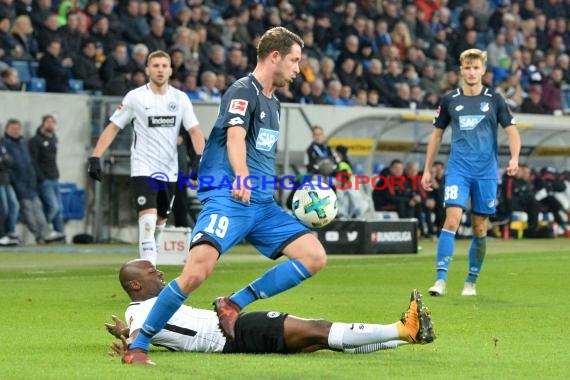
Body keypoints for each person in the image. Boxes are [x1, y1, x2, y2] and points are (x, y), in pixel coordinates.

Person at [122, 27, 329, 365]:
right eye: (294, 60)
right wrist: (242, 177)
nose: (298, 68)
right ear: (274, 56)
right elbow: (235, 137)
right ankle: (139, 344)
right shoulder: (242, 90)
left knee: (314, 256)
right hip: (229, 197)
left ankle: (233, 303)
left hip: (262, 205)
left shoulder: (274, 103)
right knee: (196, 273)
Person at [106, 260, 435, 363]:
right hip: (235, 331)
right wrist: (134, 341)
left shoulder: (142, 310)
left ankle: (405, 337)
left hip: (231, 341)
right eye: (152, 273)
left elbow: (145, 328)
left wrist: (129, 333)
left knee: (321, 342)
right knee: (319, 328)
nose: (161, 274)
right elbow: (141, 329)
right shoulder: (142, 307)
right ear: (136, 286)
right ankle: (402, 329)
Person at [88, 50, 205, 265]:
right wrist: (96, 156)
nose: (160, 69)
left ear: (170, 70)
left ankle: (151, 260)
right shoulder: (135, 97)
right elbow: (114, 127)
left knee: (160, 221)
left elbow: (195, 131)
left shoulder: (180, 99)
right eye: (156, 65)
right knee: (148, 220)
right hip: (143, 166)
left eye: (164, 65)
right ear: (147, 70)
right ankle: (148, 270)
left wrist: (199, 160)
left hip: (169, 170)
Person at [421, 49, 521, 297]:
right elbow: (436, 135)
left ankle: (471, 281)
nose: (471, 72)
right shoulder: (449, 100)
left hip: (486, 173)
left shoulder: (495, 99)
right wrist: (426, 170)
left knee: (479, 227)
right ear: (461, 70)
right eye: (467, 67)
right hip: (458, 169)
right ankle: (440, 280)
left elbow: (512, 132)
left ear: (483, 70)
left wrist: (515, 158)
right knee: (452, 219)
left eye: (476, 68)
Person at [3, 119, 64, 244]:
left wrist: (34, 177)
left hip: (29, 181)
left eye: (17, 128)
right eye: (12, 128)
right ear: (6, 129)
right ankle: (38, 235)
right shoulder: (5, 144)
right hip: (17, 182)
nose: (15, 131)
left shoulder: (23, 142)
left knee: (38, 207)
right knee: (27, 209)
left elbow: (29, 162)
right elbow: (9, 164)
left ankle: (45, 232)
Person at [29, 114, 64, 236]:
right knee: (53, 207)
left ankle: (60, 235)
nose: (50, 124)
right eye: (48, 122)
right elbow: (33, 161)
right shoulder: (35, 140)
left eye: (52, 122)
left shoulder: (54, 139)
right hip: (45, 180)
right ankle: (43, 230)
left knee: (59, 209)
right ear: (43, 123)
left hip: (54, 177)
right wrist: (41, 178)